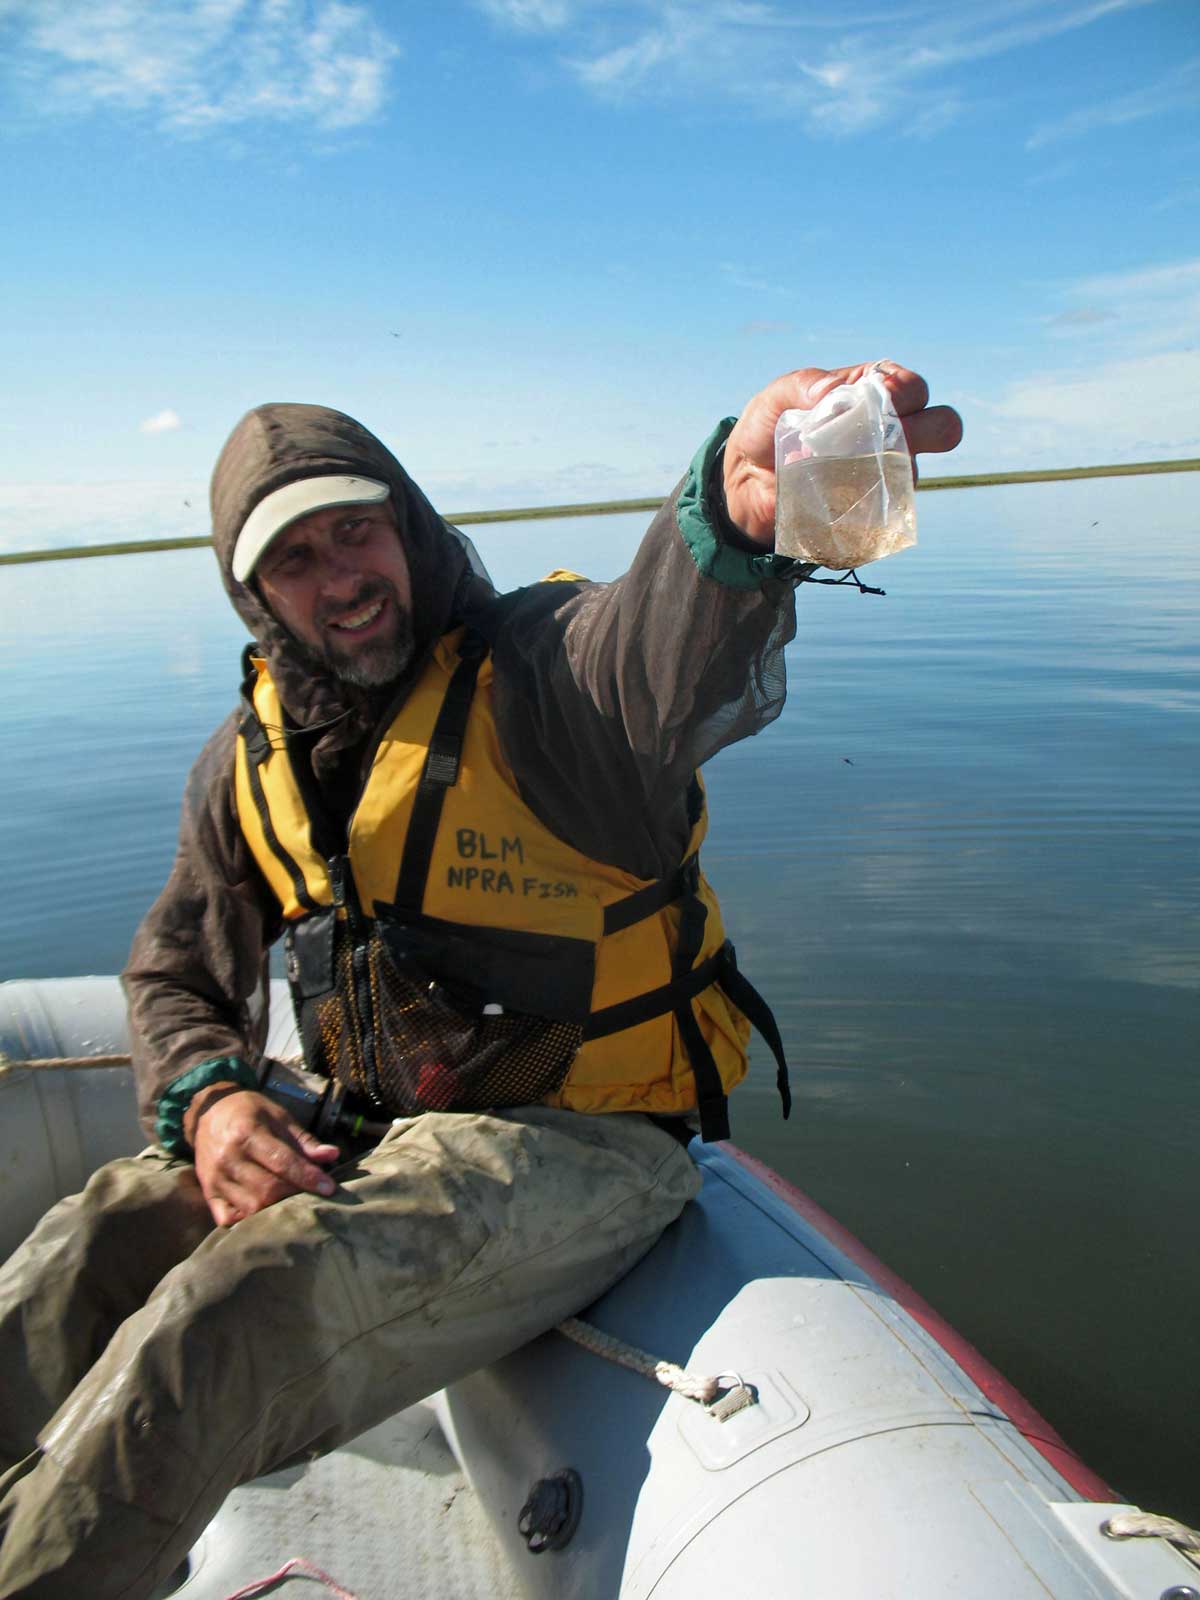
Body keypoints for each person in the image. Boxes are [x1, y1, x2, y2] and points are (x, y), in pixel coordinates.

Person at [0, 362, 962, 1597]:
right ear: (253, 594)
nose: (341, 575)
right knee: (87, 1245)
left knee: (223, 1321)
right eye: (296, 558)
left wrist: (728, 529)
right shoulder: (246, 760)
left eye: (359, 529)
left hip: (587, 1147)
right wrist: (213, 1097)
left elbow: (652, 654)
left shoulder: (542, 678)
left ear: (407, 525)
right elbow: (177, 966)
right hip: (376, 1131)